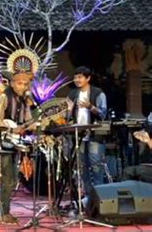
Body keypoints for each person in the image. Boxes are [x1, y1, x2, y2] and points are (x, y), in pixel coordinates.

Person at [0, 71, 35, 224]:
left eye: (26, 84)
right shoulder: (4, 96)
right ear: (12, 83)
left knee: (12, 178)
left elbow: (27, 121)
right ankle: (3, 213)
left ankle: (0, 211)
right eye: (20, 83)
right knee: (6, 178)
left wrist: (34, 124)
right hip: (3, 141)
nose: (23, 87)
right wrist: (12, 130)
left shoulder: (24, 100)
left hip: (14, 142)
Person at [66, 66, 107, 204]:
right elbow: (67, 115)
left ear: (88, 78)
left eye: (80, 77)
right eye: (75, 77)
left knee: (96, 167)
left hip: (95, 135)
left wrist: (90, 106)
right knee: (82, 168)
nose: (77, 80)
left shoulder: (98, 93)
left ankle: (101, 199)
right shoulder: (72, 94)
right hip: (79, 136)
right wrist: (67, 112)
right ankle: (89, 199)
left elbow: (103, 113)